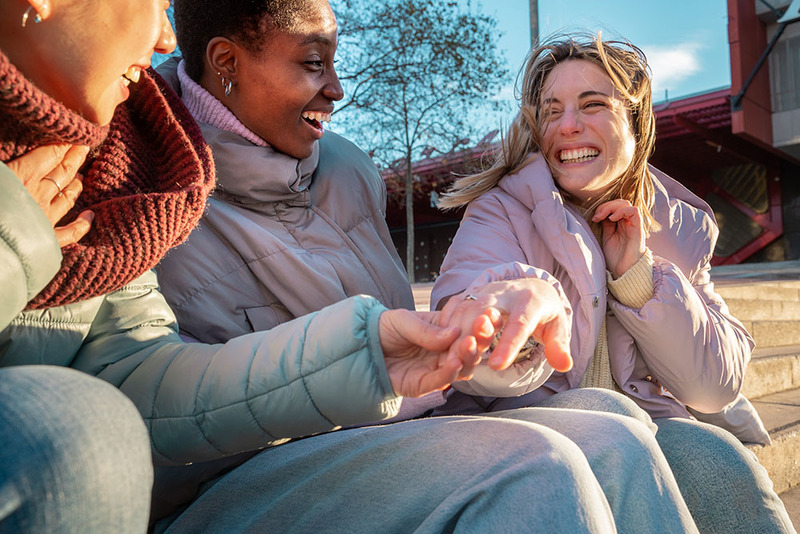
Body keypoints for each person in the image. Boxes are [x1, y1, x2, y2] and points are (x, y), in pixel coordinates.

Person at [0, 1, 663, 532]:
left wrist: (436, 340)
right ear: (226, 64)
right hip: (240, 475)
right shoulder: (148, 174)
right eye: (313, 63)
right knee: (538, 468)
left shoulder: (332, 166)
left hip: (397, 425)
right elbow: (137, 416)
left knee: (631, 436)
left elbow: (134, 366)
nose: (163, 32)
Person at [432, 32, 794, 533]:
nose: (568, 126)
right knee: (606, 417)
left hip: (652, 429)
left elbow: (714, 389)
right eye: (551, 110)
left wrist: (636, 278)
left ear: (636, 120)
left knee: (716, 457)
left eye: (592, 104)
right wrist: (501, 322)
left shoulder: (681, 227)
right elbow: (466, 347)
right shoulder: (499, 211)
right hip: (524, 428)